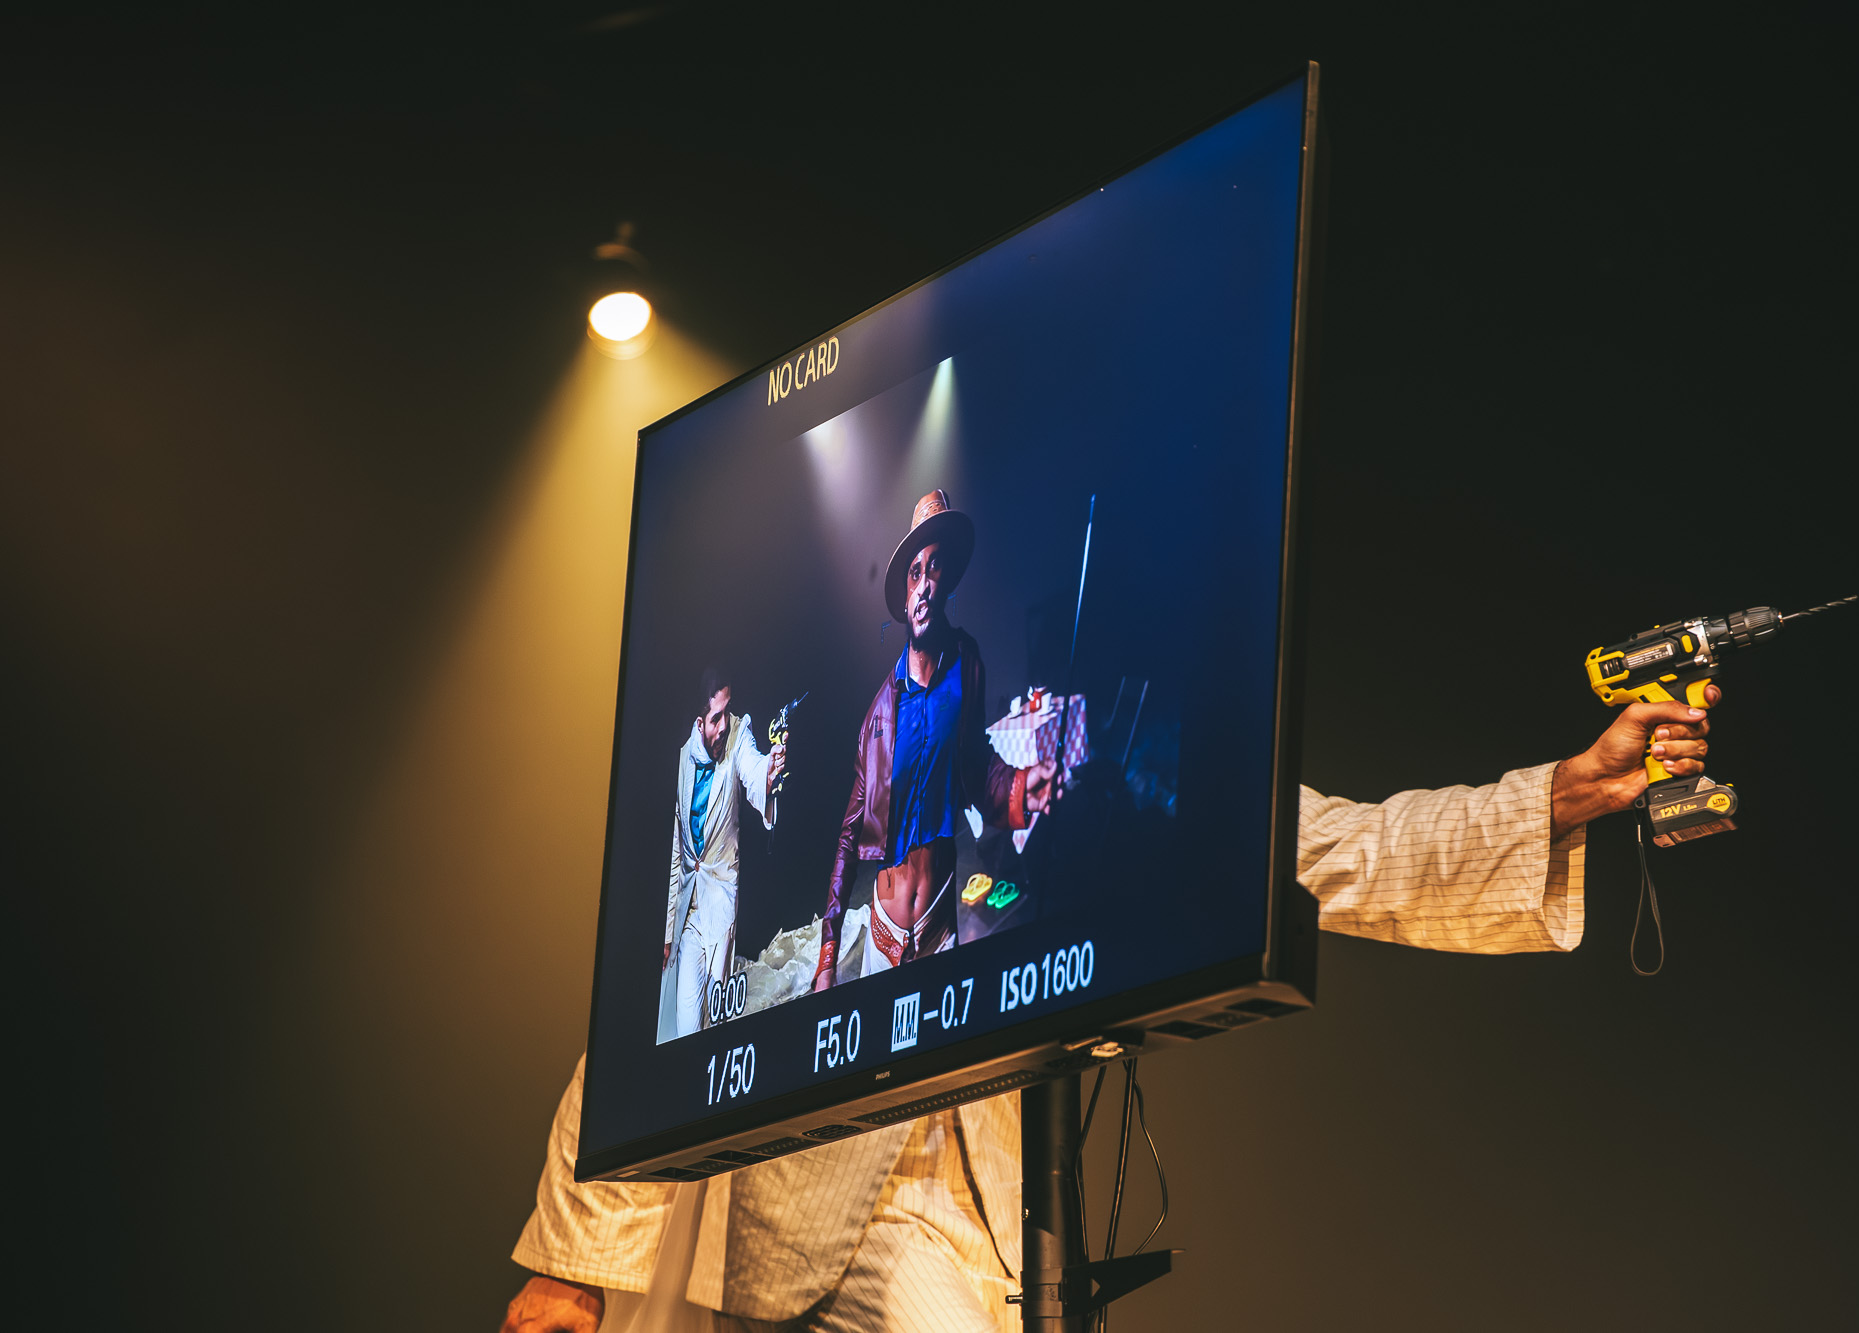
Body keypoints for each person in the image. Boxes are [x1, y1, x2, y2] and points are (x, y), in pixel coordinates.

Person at [503, 683, 1720, 1333]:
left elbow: (1321, 848)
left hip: (989, 1244)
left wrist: (1552, 797)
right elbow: (645, 1050)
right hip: (794, 1252)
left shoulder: (1046, 878)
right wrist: (570, 1272)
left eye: (1041, 765)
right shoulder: (799, 947)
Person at [811, 490, 1061, 991]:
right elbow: (848, 833)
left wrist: (1021, 786)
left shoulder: (967, 666)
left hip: (941, 931)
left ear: (947, 582)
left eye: (935, 569)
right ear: (905, 598)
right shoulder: (878, 715)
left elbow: (974, 768)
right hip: (882, 940)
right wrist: (828, 956)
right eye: (914, 573)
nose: (925, 585)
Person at [658, 668, 786, 1043]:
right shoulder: (683, 758)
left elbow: (753, 766)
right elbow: (676, 854)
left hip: (720, 902)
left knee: (716, 1022)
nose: (724, 726)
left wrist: (770, 768)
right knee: (684, 1025)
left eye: (727, 713)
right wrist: (668, 933)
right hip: (688, 913)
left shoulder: (737, 735)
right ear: (700, 722)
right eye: (716, 718)